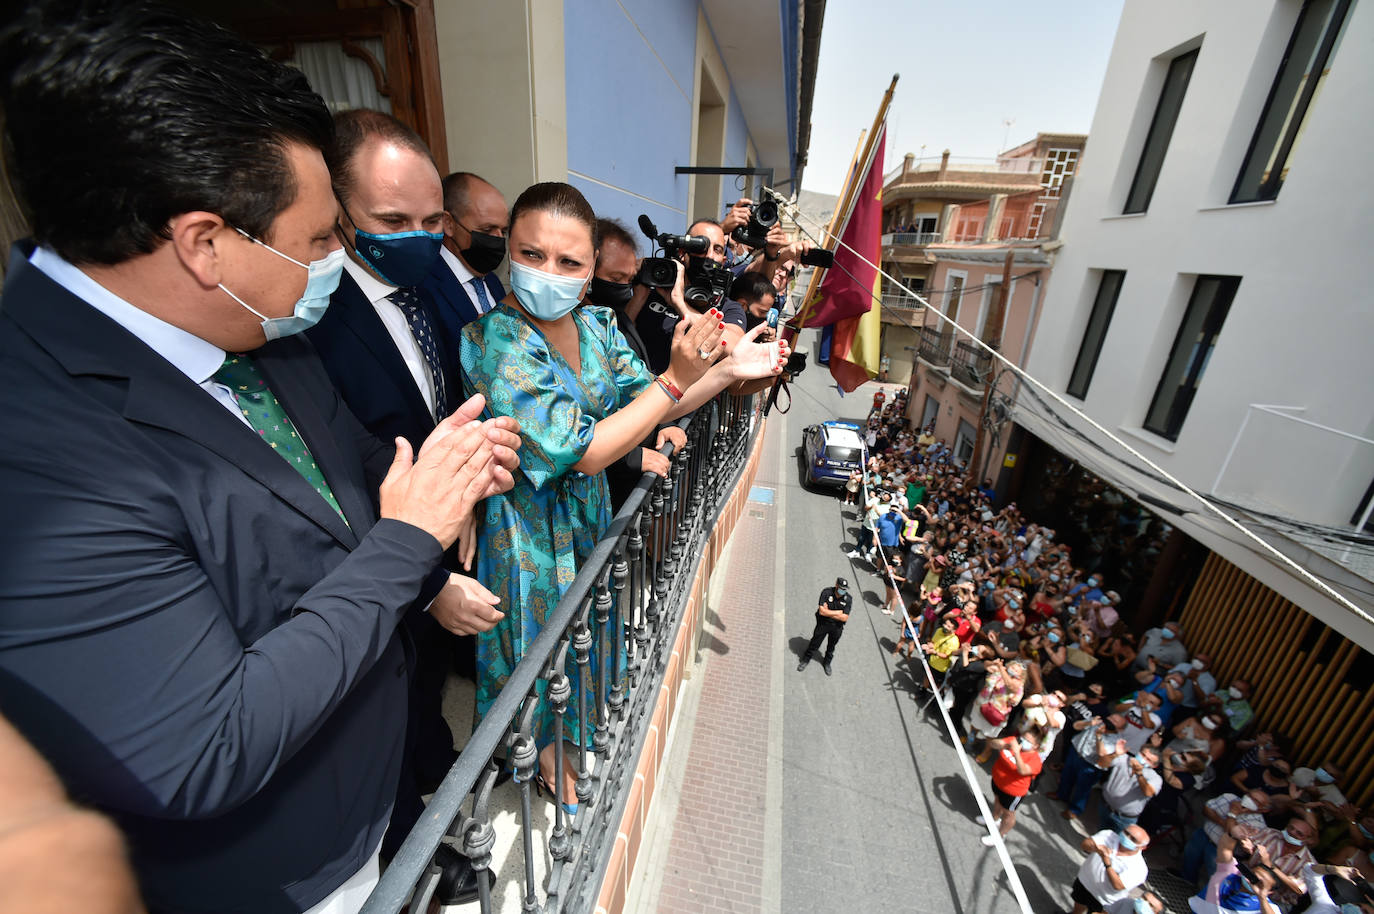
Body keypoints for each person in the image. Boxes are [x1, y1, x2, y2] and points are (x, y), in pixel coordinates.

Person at [0, 4, 522, 911]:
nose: (336, 261)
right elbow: (204, 746)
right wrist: (411, 543)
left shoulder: (256, 326)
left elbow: (349, 458)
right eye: (321, 241)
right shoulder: (37, 448)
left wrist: (444, 469)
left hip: (372, 786)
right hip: (274, 875)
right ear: (207, 244)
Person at [460, 182, 785, 804]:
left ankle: (570, 737)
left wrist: (724, 372)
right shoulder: (492, 339)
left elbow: (653, 407)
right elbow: (581, 450)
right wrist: (674, 380)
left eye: (567, 262)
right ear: (510, 253)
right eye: (530, 255)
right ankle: (544, 757)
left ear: (588, 276)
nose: (546, 272)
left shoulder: (601, 326)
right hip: (529, 528)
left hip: (590, 514)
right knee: (537, 646)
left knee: (583, 633)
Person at [424, 171, 509, 343]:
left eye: (503, 231)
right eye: (487, 230)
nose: (498, 239)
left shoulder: (493, 282)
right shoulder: (422, 286)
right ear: (448, 223)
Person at [978, 729, 1043, 846]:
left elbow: (1022, 770)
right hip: (998, 782)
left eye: (1028, 741)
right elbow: (993, 744)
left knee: (1008, 813)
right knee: (997, 800)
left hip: (1013, 792)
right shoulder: (1014, 741)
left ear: (1036, 746)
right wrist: (1006, 745)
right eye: (1023, 738)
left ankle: (1000, 835)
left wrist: (1017, 753)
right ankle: (994, 819)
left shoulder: (1036, 761)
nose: (1023, 742)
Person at [1069, 826, 1152, 914]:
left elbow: (1118, 885)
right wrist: (1095, 848)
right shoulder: (1108, 835)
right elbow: (1085, 845)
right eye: (1126, 833)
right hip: (1084, 883)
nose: (1127, 838)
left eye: (1133, 839)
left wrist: (1107, 862)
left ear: (1142, 847)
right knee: (1078, 905)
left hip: (1103, 900)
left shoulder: (1139, 868)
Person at [800, 577, 854, 676]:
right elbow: (821, 611)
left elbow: (844, 618)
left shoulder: (848, 599)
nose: (843, 591)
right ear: (836, 585)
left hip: (837, 627)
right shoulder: (827, 592)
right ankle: (806, 659)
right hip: (823, 624)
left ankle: (827, 663)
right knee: (815, 642)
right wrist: (838, 612)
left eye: (845, 589)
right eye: (841, 588)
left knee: (831, 646)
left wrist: (828, 612)